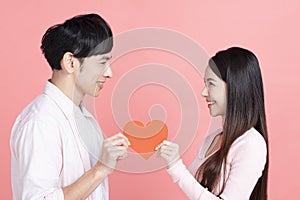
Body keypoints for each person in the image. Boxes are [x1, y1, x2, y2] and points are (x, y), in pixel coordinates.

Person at [10, 13, 130, 200]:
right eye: (102, 62)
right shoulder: (41, 122)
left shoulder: (86, 119)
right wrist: (100, 169)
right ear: (70, 62)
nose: (109, 73)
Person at [157, 47, 269, 200]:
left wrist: (177, 166)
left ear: (235, 86)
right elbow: (193, 187)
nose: (204, 92)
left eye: (211, 84)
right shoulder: (212, 138)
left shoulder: (251, 144)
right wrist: (173, 159)